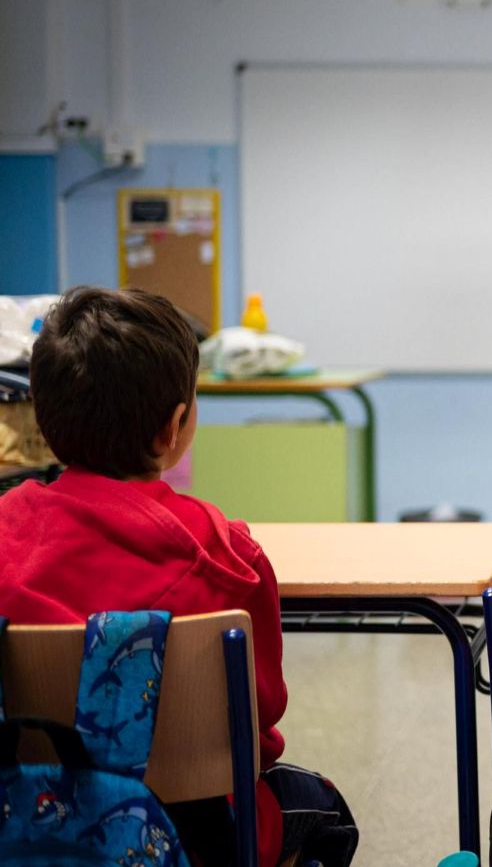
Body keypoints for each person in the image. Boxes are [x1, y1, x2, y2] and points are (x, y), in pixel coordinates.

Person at [0, 287, 357, 867]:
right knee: (325, 810)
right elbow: (259, 718)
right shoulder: (226, 555)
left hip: (31, 817)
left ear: (43, 416)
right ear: (175, 427)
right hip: (197, 830)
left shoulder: (6, 531)